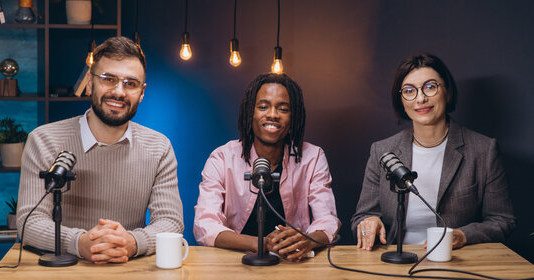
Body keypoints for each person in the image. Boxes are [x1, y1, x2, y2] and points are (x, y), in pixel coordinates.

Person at [16, 36, 184, 264]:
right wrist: (79, 242)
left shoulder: (159, 147)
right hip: (60, 272)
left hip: (128, 271)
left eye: (130, 84)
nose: (119, 92)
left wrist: (132, 242)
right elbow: (30, 221)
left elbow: (171, 221)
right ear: (90, 82)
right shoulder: (44, 140)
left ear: (142, 93)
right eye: (108, 79)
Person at [351, 53, 516, 251]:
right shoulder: (382, 151)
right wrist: (368, 223)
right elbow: (361, 217)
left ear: (447, 91)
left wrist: (464, 236)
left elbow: (502, 220)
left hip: (458, 264)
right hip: (394, 264)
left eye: (430, 87)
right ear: (401, 100)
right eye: (409, 91)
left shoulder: (484, 150)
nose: (420, 98)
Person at [194, 73, 340, 261]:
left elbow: (327, 220)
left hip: (293, 263)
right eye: (263, 107)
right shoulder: (222, 158)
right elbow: (205, 224)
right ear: (250, 112)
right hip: (234, 263)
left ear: (293, 116)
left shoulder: (313, 157)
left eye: (283, 109)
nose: (272, 114)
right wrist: (259, 243)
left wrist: (307, 240)